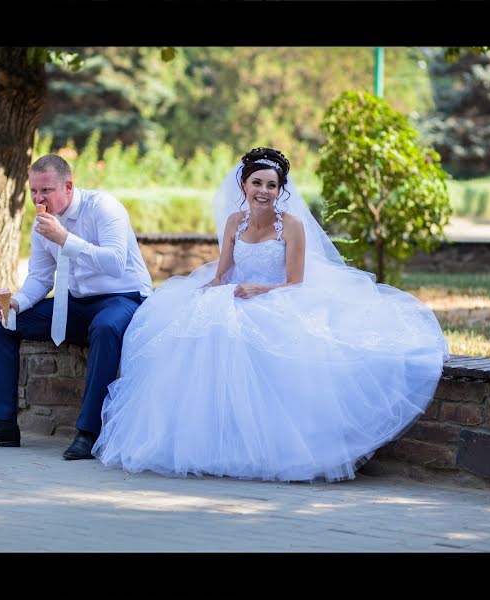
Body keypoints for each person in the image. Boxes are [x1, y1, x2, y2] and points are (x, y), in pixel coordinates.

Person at [92, 147, 450, 482]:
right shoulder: (234, 221)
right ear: (243, 185)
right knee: (197, 330)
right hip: (238, 294)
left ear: (280, 190)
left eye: (271, 185)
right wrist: (209, 288)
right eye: (257, 183)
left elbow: (296, 281)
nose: (263, 191)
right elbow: (224, 271)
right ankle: (220, 440)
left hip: (279, 297)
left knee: (257, 338)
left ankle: (273, 446)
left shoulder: (291, 226)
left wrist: (261, 291)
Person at [0, 154, 154, 460]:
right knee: (2, 323)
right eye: (33, 191)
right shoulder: (42, 225)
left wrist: (65, 238)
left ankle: (89, 433)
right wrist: (16, 303)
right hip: (75, 302)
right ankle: (2, 423)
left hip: (122, 296)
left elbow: (116, 262)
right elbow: (40, 277)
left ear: (68, 186)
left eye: (45, 190)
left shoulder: (103, 207)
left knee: (105, 327)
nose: (37, 198)